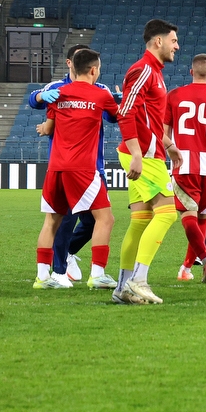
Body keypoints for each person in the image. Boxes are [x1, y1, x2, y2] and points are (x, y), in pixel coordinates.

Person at [29, 43, 120, 287]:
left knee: (52, 221)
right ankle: (97, 274)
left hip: (56, 167)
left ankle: (43, 277)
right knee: (105, 219)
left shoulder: (59, 95)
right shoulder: (100, 93)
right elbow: (117, 116)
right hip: (84, 168)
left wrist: (44, 106)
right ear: (93, 70)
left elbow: (48, 124)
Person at [113, 19, 184, 305]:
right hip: (142, 155)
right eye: (174, 40)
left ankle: (122, 288)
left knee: (141, 220)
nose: (177, 46)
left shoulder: (154, 72)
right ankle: (138, 280)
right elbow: (125, 112)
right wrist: (138, 154)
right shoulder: (143, 70)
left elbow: (149, 119)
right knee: (167, 213)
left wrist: (168, 144)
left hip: (149, 151)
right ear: (158, 41)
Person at [164, 54, 206, 284]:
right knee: (204, 216)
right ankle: (187, 267)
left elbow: (162, 132)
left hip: (184, 161)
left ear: (191, 72)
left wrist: (170, 147)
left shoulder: (175, 95)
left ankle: (204, 260)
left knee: (189, 215)